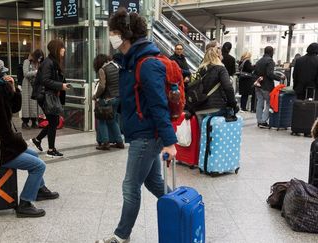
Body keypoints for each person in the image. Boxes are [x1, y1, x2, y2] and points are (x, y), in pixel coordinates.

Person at [96, 8, 177, 243]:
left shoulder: (146, 63)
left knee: (130, 186)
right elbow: (137, 96)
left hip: (147, 135)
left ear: (126, 34)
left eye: (114, 32)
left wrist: (170, 142)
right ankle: (181, 206)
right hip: (142, 131)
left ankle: (121, 236)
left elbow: (157, 105)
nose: (111, 36)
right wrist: (118, 103)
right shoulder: (129, 62)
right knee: (153, 182)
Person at [0, 57, 59, 218]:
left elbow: (14, 108)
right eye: (2, 73)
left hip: (1, 144)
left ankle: (39, 190)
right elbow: (4, 132)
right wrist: (21, 144)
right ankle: (25, 203)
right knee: (39, 166)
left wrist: (14, 90)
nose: (5, 75)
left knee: (33, 155)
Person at [31, 40, 69, 157]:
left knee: (54, 121)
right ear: (57, 49)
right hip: (45, 96)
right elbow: (45, 80)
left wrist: (62, 85)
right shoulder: (48, 63)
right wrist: (61, 86)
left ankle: (38, 139)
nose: (64, 49)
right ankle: (51, 149)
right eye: (62, 47)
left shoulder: (54, 62)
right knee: (53, 122)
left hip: (49, 95)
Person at [193, 42, 238, 121]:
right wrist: (233, 104)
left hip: (199, 107)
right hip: (216, 107)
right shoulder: (221, 68)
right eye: (219, 48)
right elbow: (228, 87)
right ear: (217, 53)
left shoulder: (200, 68)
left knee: (203, 132)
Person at [92, 54, 124, 150]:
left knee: (102, 121)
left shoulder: (103, 69)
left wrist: (95, 96)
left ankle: (105, 143)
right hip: (117, 98)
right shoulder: (116, 66)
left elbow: (102, 86)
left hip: (107, 99)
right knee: (113, 120)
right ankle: (119, 142)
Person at [254, 46, 285, 128]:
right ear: (271, 52)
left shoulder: (259, 61)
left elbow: (255, 72)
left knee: (259, 102)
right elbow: (269, 74)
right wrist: (279, 78)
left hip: (258, 84)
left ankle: (259, 120)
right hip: (266, 86)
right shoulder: (270, 61)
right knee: (268, 103)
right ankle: (263, 121)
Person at [21, 49, 44, 129]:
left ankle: (34, 121)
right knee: (26, 104)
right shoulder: (27, 61)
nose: (39, 60)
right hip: (27, 85)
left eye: (41, 58)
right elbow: (25, 73)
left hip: (36, 86)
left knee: (35, 104)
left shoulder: (40, 63)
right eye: (39, 58)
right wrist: (36, 72)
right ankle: (25, 122)